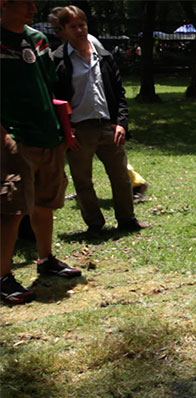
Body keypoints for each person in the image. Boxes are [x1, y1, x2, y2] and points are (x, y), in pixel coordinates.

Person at [1, 0, 82, 304]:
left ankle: (45, 259)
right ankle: (3, 275)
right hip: (16, 138)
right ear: (4, 4)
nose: (32, 9)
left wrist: (62, 129)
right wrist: (5, 137)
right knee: (12, 209)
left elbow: (49, 88)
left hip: (49, 134)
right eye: (25, 4)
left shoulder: (38, 39)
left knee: (45, 202)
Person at [52, 5, 149, 234]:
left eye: (82, 25)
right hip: (79, 130)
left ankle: (127, 220)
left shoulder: (103, 55)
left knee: (121, 179)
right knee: (83, 181)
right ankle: (95, 224)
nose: (79, 30)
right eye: (73, 26)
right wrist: (67, 130)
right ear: (64, 29)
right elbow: (54, 98)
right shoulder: (58, 59)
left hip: (108, 126)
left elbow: (119, 93)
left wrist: (121, 124)